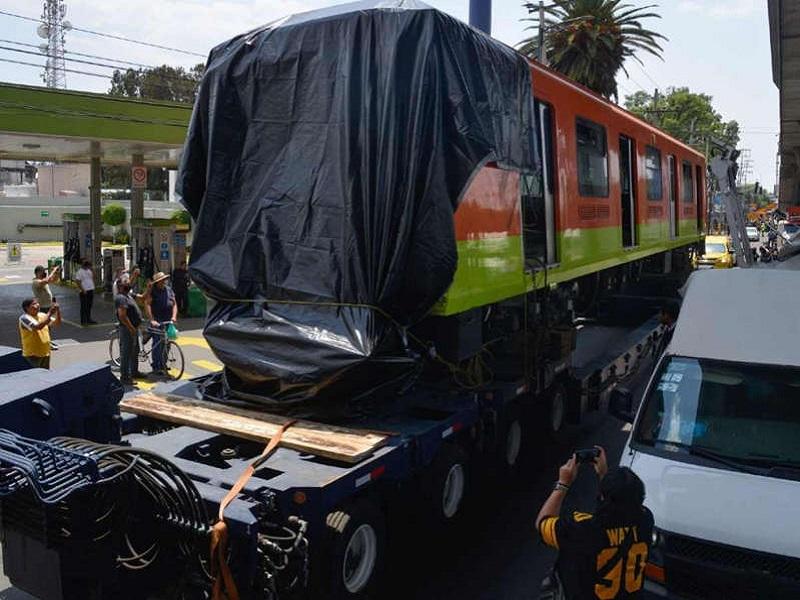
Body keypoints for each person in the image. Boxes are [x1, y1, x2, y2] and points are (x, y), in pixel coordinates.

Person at [536, 448, 654, 600]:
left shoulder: (582, 530)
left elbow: (542, 523)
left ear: (603, 497)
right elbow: (624, 505)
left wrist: (563, 484)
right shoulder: (646, 521)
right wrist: (604, 476)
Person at [144, 271, 177, 375]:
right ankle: (156, 366)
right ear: (157, 282)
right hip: (157, 321)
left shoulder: (169, 290)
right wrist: (152, 320)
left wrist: (174, 316)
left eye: (164, 280)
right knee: (158, 343)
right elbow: (147, 305)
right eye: (161, 280)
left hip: (168, 320)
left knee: (167, 343)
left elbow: (174, 304)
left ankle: (163, 363)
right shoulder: (153, 291)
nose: (163, 282)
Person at [115, 277, 143, 386]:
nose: (128, 283)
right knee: (126, 353)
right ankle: (125, 377)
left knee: (135, 351)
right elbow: (122, 316)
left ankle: (134, 372)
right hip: (127, 329)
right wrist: (131, 328)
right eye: (125, 282)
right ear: (120, 286)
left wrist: (149, 288)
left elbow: (143, 297)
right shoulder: (121, 298)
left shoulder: (129, 295)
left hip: (133, 328)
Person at [18, 297, 61, 369]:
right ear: (27, 308)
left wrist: (57, 311)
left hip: (45, 352)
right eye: (34, 304)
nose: (37, 305)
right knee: (34, 376)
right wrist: (50, 313)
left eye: (37, 303)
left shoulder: (42, 315)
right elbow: (38, 326)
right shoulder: (24, 318)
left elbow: (57, 323)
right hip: (32, 355)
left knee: (45, 376)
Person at [74, 259, 96, 325]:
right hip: (84, 291)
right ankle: (83, 321)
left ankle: (89, 319)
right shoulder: (80, 272)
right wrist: (82, 290)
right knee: (84, 306)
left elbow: (94, 277)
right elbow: (78, 281)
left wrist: (92, 270)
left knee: (89, 305)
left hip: (90, 289)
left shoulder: (89, 271)